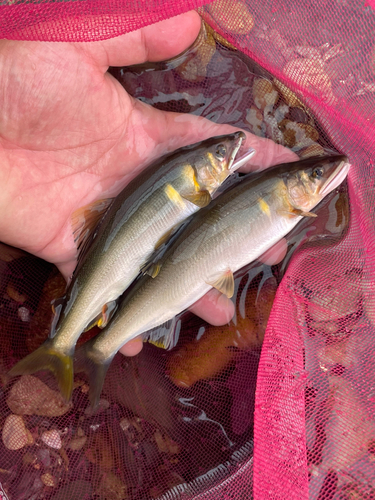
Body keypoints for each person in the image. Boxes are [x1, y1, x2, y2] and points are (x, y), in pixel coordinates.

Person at [0, 10, 295, 356]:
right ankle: (64, 346)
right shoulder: (192, 181)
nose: (227, 154)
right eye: (218, 155)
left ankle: (67, 344)